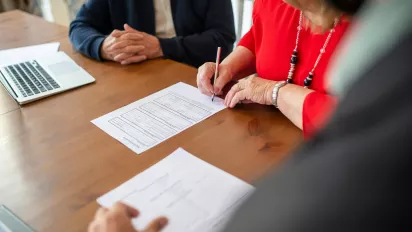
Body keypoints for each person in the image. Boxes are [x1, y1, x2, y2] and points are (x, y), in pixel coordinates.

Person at [87, 0, 412, 231]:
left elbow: (362, 122)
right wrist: (230, 65)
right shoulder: (275, 2)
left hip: (324, 165)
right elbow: (257, 37)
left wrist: (275, 92)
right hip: (258, 146)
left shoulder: (388, 31)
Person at [197, 0, 352, 138]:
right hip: (267, 136)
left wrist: (273, 91)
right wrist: (229, 67)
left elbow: (352, 118)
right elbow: (261, 35)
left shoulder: (369, 23)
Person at [69, 0, 235, 68]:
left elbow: (223, 39)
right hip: (138, 74)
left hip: (193, 73)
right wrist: (103, 46)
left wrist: (161, 47)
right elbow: (79, 26)